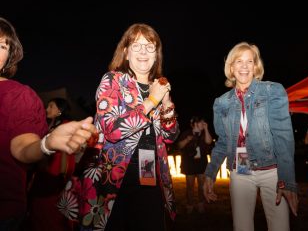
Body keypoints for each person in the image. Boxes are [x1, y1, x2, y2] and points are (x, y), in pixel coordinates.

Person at [58, 23, 179, 231]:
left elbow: (170, 136)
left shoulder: (158, 86)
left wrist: (166, 104)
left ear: (156, 54)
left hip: (150, 174)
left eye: (150, 46)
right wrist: (151, 100)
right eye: (136, 45)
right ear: (125, 53)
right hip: (112, 176)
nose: (143, 51)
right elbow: (111, 129)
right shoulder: (112, 81)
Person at [0, 17, 96, 231]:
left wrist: (47, 144)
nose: (48, 109)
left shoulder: (18, 96)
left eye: (2, 45)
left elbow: (24, 146)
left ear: (8, 57)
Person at [203, 42, 298, 231]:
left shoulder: (273, 91)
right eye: (239, 61)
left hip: (272, 170)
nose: (244, 66)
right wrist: (210, 173)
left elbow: (283, 137)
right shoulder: (221, 103)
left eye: (250, 61)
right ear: (231, 67)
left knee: (280, 227)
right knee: (242, 227)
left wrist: (286, 180)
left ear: (256, 66)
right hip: (241, 169)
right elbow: (222, 142)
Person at [26, 98, 76, 231]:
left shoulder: (65, 125)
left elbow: (66, 152)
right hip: (45, 170)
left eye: (51, 106)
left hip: (55, 170)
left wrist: (62, 174)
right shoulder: (51, 125)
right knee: (37, 207)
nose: (47, 109)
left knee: (48, 208)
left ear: (60, 111)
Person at [177, 116, 213, 214]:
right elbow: (179, 145)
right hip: (189, 164)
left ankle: (201, 204)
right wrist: (187, 140)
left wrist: (206, 129)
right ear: (195, 123)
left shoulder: (204, 133)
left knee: (202, 186)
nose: (203, 124)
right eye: (201, 122)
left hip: (201, 164)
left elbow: (209, 141)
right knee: (190, 186)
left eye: (204, 122)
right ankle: (190, 205)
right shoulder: (186, 133)